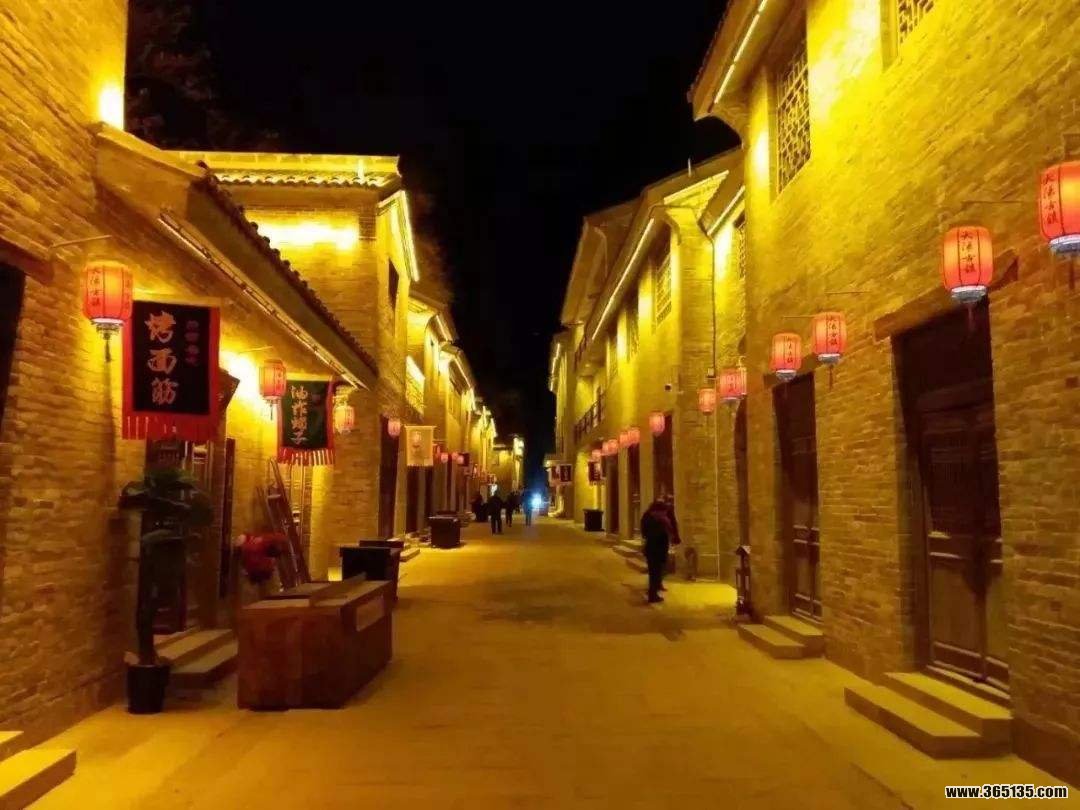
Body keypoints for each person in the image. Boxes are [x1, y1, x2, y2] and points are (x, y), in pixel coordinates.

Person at [640, 492, 680, 603]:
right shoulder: (652, 519)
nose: (665, 513)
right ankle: (652, 594)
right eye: (663, 512)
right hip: (655, 549)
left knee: (657, 570)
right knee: (655, 571)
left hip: (656, 549)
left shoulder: (654, 517)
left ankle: (654, 590)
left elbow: (672, 525)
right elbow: (649, 533)